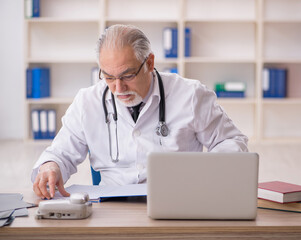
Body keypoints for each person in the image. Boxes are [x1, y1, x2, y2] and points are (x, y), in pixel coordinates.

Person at [31, 24, 248, 199]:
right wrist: (51, 167)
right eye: (108, 77)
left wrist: (209, 174)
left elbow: (231, 141)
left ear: (150, 62)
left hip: (178, 201)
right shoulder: (87, 102)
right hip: (112, 209)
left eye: (127, 76)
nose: (118, 88)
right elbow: (60, 153)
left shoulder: (191, 95)